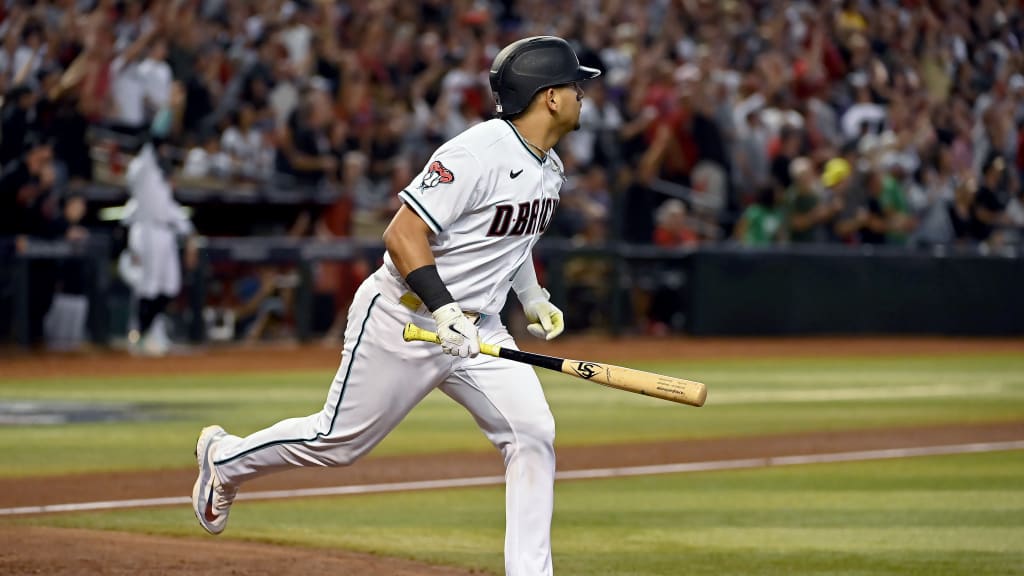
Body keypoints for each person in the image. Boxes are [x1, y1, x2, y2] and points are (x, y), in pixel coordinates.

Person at [192, 36, 600, 576]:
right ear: (549, 97)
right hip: (406, 319)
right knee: (337, 442)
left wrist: (532, 296)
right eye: (575, 86)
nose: (582, 96)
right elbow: (402, 233)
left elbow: (507, 241)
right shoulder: (476, 152)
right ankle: (224, 459)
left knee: (532, 434)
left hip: (480, 333)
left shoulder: (548, 165)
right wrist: (444, 311)